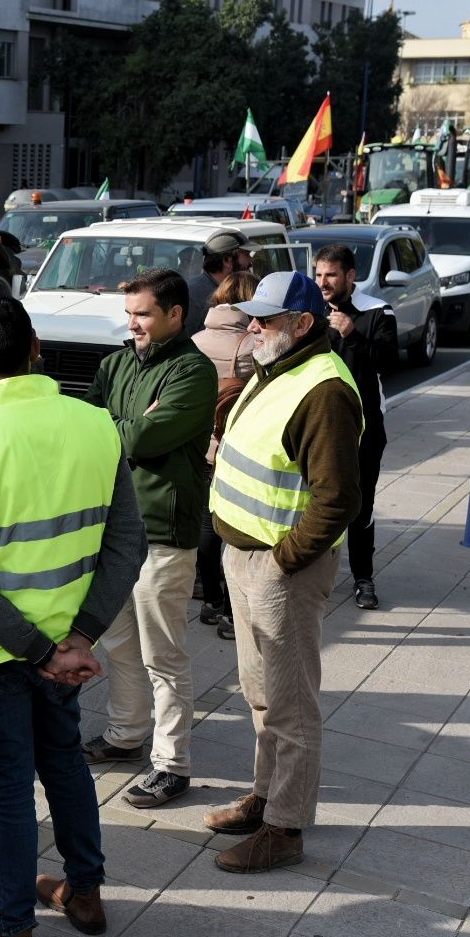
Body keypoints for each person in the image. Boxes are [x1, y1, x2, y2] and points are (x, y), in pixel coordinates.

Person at [0, 298, 146, 937]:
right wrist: (77, 639)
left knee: (7, 789)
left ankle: (11, 932)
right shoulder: (97, 426)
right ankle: (84, 891)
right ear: (37, 351)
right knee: (65, 764)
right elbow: (126, 544)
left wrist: (42, 651)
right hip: (69, 648)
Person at [207, 272, 362, 873]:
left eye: (266, 320)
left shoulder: (323, 388)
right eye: (252, 316)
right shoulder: (276, 368)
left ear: (302, 324)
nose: (252, 327)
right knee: (262, 694)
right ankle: (266, 796)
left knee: (291, 704)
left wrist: (281, 562)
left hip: (281, 568)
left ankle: (285, 827)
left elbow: (338, 497)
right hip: (245, 556)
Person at [81, 269, 218, 809]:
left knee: (164, 654)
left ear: (176, 315)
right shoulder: (116, 363)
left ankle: (172, 764)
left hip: (163, 532)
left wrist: (123, 426)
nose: (132, 322)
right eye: (130, 313)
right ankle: (125, 737)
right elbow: (92, 429)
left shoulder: (194, 371)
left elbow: (141, 436)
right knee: (117, 644)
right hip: (114, 530)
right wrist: (126, 425)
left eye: (142, 314)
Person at [314, 244, 397, 610]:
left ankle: (363, 577)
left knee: (360, 506)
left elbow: (389, 362)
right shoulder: (310, 312)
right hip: (320, 426)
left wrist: (352, 333)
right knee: (316, 503)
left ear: (350, 276)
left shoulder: (377, 311)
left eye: (330, 275)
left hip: (364, 428)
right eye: (318, 275)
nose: (323, 282)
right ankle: (314, 572)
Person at [192, 271, 261, 640]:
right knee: (236, 530)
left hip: (204, 444)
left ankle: (210, 599)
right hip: (237, 446)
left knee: (206, 527)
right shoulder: (253, 346)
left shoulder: (196, 340)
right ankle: (233, 614)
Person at [185, 228, 255, 336]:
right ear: (227, 260)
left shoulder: (235, 290)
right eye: (246, 254)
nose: (251, 261)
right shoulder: (193, 295)